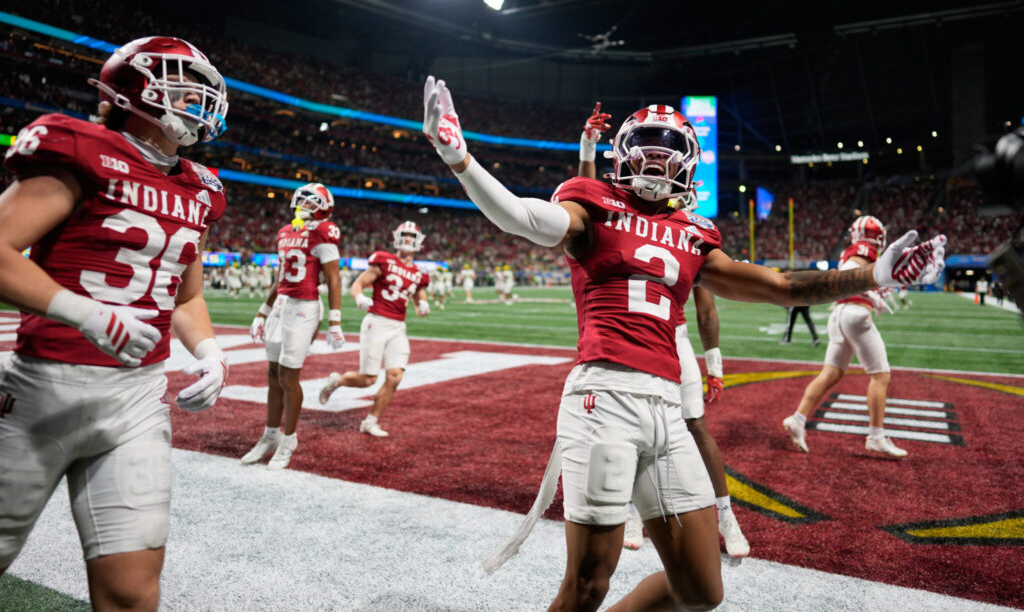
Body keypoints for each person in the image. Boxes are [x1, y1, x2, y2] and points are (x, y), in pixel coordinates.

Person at [422, 76, 945, 611]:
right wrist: (459, 157)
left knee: (699, 590)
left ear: (688, 162)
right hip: (605, 399)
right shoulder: (594, 202)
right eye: (645, 143)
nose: (656, 155)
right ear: (621, 154)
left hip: (668, 407)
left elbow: (782, 286)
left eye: (669, 146)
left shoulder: (694, 232)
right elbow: (521, 216)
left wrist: (875, 274)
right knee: (587, 585)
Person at [0, 36, 231, 610]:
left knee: (130, 592)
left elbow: (185, 297)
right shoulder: (84, 148)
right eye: (182, 85)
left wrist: (210, 353)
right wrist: (84, 312)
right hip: (43, 388)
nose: (197, 99)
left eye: (200, 90)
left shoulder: (202, 188)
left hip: (137, 401)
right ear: (132, 89)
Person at [577, 103, 749, 559]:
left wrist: (714, 363)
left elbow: (706, 307)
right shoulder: (620, 211)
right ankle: (633, 510)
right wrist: (587, 150)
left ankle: (726, 514)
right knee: (626, 430)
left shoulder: (690, 229)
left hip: (673, 338)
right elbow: (586, 207)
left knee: (694, 425)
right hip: (626, 343)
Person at [783, 215, 910, 459]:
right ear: (875, 235)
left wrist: (874, 291)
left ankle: (798, 419)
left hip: (839, 315)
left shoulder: (852, 250)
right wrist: (871, 294)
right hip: (855, 313)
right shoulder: (864, 249)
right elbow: (850, 271)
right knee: (881, 375)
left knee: (831, 373)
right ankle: (876, 436)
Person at [241, 183, 344, 469]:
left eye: (311, 201)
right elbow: (280, 277)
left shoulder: (324, 232)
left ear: (323, 207)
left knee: (288, 376)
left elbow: (334, 279)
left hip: (305, 306)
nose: (303, 204)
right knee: (273, 373)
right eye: (303, 200)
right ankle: (270, 435)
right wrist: (262, 312)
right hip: (282, 305)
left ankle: (289, 439)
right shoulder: (285, 232)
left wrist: (335, 320)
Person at [319, 221, 430, 437]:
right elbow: (357, 285)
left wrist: (423, 307)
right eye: (404, 235)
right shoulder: (384, 260)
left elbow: (419, 302)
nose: (408, 239)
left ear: (419, 241)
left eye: (412, 236)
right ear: (397, 238)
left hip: (398, 327)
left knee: (395, 376)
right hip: (377, 322)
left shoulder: (420, 272)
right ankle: (337, 381)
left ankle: (370, 421)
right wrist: (359, 297)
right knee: (368, 379)